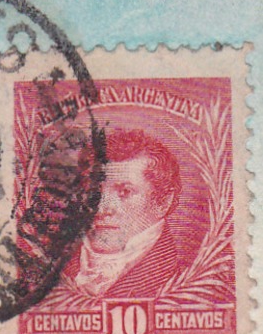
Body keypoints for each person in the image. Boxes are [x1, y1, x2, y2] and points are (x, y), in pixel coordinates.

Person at [59, 127, 188, 300]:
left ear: (163, 202)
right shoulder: (55, 269)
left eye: (125, 192)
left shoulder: (181, 280)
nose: (101, 208)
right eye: (93, 192)